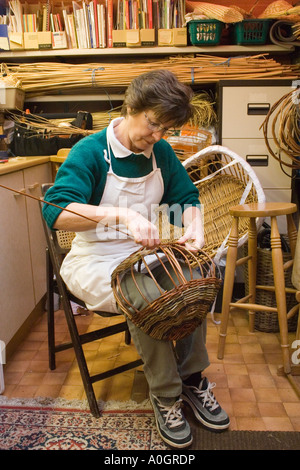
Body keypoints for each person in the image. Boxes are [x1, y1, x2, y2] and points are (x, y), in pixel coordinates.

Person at [43, 69, 229, 448]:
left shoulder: (158, 151)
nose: (158, 136)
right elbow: (56, 212)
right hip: (93, 259)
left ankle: (192, 380)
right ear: (132, 107)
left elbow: (187, 198)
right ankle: (165, 395)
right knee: (146, 297)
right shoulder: (91, 151)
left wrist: (195, 226)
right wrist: (122, 216)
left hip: (139, 256)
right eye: (153, 124)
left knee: (195, 279)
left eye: (166, 130)